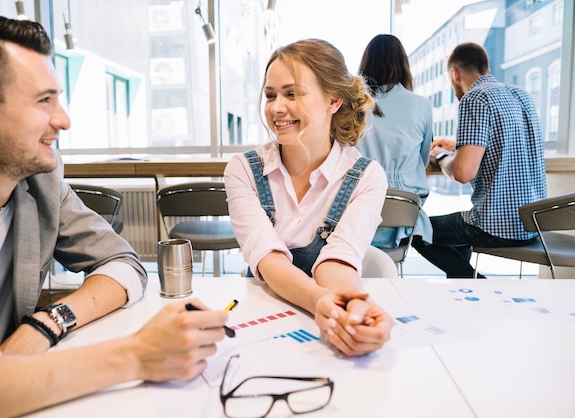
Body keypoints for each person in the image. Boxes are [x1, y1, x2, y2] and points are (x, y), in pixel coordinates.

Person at [0, 11, 227, 417]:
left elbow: (125, 263)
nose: (63, 120)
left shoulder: (39, 184)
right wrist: (136, 355)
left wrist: (47, 323)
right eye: (44, 100)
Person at [224, 39, 393, 358]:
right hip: (259, 319)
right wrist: (320, 303)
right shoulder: (243, 170)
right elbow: (268, 259)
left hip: (319, 326)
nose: (276, 108)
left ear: (333, 101)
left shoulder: (366, 177)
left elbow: (337, 259)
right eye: (270, 95)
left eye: (292, 93)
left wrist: (354, 304)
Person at [412, 42, 548, 278]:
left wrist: (442, 157)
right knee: (455, 234)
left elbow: (463, 173)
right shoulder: (521, 95)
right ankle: (462, 284)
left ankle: (472, 281)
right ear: (486, 67)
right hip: (532, 224)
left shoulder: (474, 98)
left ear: (454, 73)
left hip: (496, 227)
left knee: (414, 231)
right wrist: (459, 145)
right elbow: (507, 140)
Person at [355, 33, 433, 249]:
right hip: (404, 209)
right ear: (403, 65)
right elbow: (423, 159)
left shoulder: (353, 105)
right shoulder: (422, 105)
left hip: (361, 210)